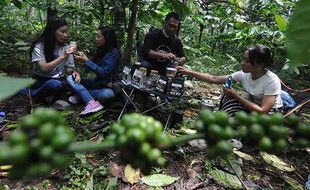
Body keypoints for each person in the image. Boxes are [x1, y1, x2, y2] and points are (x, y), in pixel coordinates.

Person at [177, 44, 283, 115]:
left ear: (259, 65)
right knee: (228, 96)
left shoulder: (271, 81)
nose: (242, 63)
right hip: (253, 107)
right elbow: (213, 78)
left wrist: (236, 96)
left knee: (234, 97)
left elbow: (263, 111)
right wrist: (188, 71)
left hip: (269, 114)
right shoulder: (244, 75)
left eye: (247, 61)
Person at [20, 16, 80, 103]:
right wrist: (63, 56)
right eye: (62, 32)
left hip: (59, 81)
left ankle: (34, 94)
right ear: (52, 31)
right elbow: (44, 68)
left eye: (66, 32)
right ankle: (34, 95)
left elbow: (68, 68)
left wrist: (74, 72)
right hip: (40, 80)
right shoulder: (39, 45)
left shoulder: (65, 47)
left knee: (65, 84)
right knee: (54, 85)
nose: (65, 35)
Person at [66, 25, 120, 116]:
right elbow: (89, 69)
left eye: (99, 37)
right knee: (70, 78)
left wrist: (87, 61)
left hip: (106, 87)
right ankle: (85, 96)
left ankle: (84, 97)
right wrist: (82, 59)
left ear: (107, 39)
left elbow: (104, 73)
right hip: (96, 83)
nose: (96, 39)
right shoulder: (100, 50)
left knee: (107, 96)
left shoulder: (113, 53)